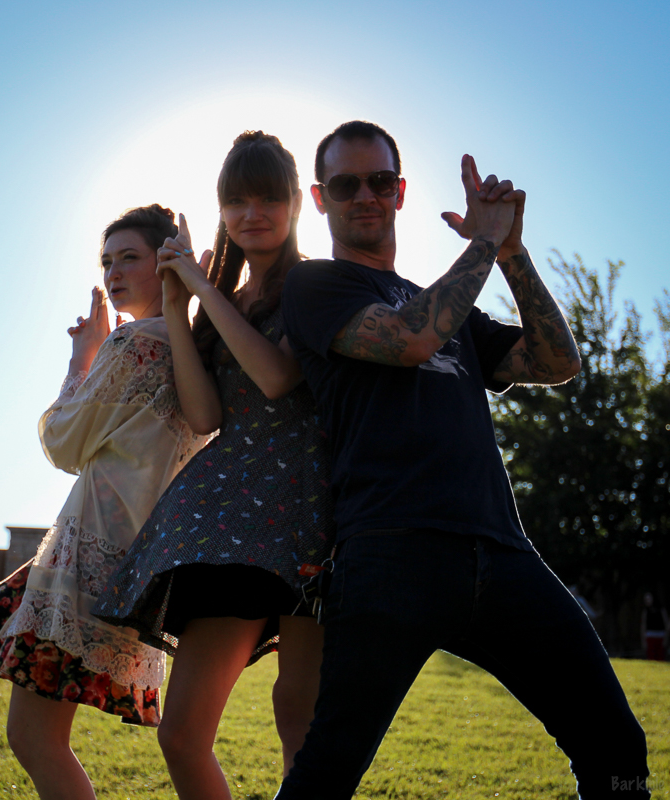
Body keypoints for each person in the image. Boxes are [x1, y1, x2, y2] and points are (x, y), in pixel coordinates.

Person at [274, 121, 651, 799]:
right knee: (328, 770)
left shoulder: (450, 306)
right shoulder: (314, 286)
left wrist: (511, 251)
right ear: (320, 199)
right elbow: (410, 340)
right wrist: (481, 242)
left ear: (400, 192)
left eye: (379, 181)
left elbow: (556, 362)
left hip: (502, 552)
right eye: (346, 184)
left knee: (615, 745)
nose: (365, 195)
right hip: (390, 552)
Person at [0, 205, 203, 800]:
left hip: (88, 568)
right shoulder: (188, 345)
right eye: (107, 261)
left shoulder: (135, 343)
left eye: (129, 257)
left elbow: (62, 441)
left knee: (35, 737)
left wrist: (82, 359)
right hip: (97, 559)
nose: (113, 272)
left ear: (165, 263)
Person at [94, 131, 335, 800]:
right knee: (181, 734)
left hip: (310, 511)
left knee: (300, 713)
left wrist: (203, 285)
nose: (252, 214)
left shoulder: (313, 284)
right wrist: (179, 305)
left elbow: (278, 377)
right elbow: (203, 416)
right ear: (221, 209)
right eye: (236, 202)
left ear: (296, 204)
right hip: (229, 523)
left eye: (269, 199)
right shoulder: (224, 295)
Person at [641, 592, 668, 661]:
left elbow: (666, 624)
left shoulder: (661, 610)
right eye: (645, 600)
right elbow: (643, 626)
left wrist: (666, 639)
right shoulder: (646, 611)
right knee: (651, 658)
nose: (647, 601)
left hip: (661, 636)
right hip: (650, 637)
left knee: (661, 658)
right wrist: (644, 641)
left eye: (648, 599)